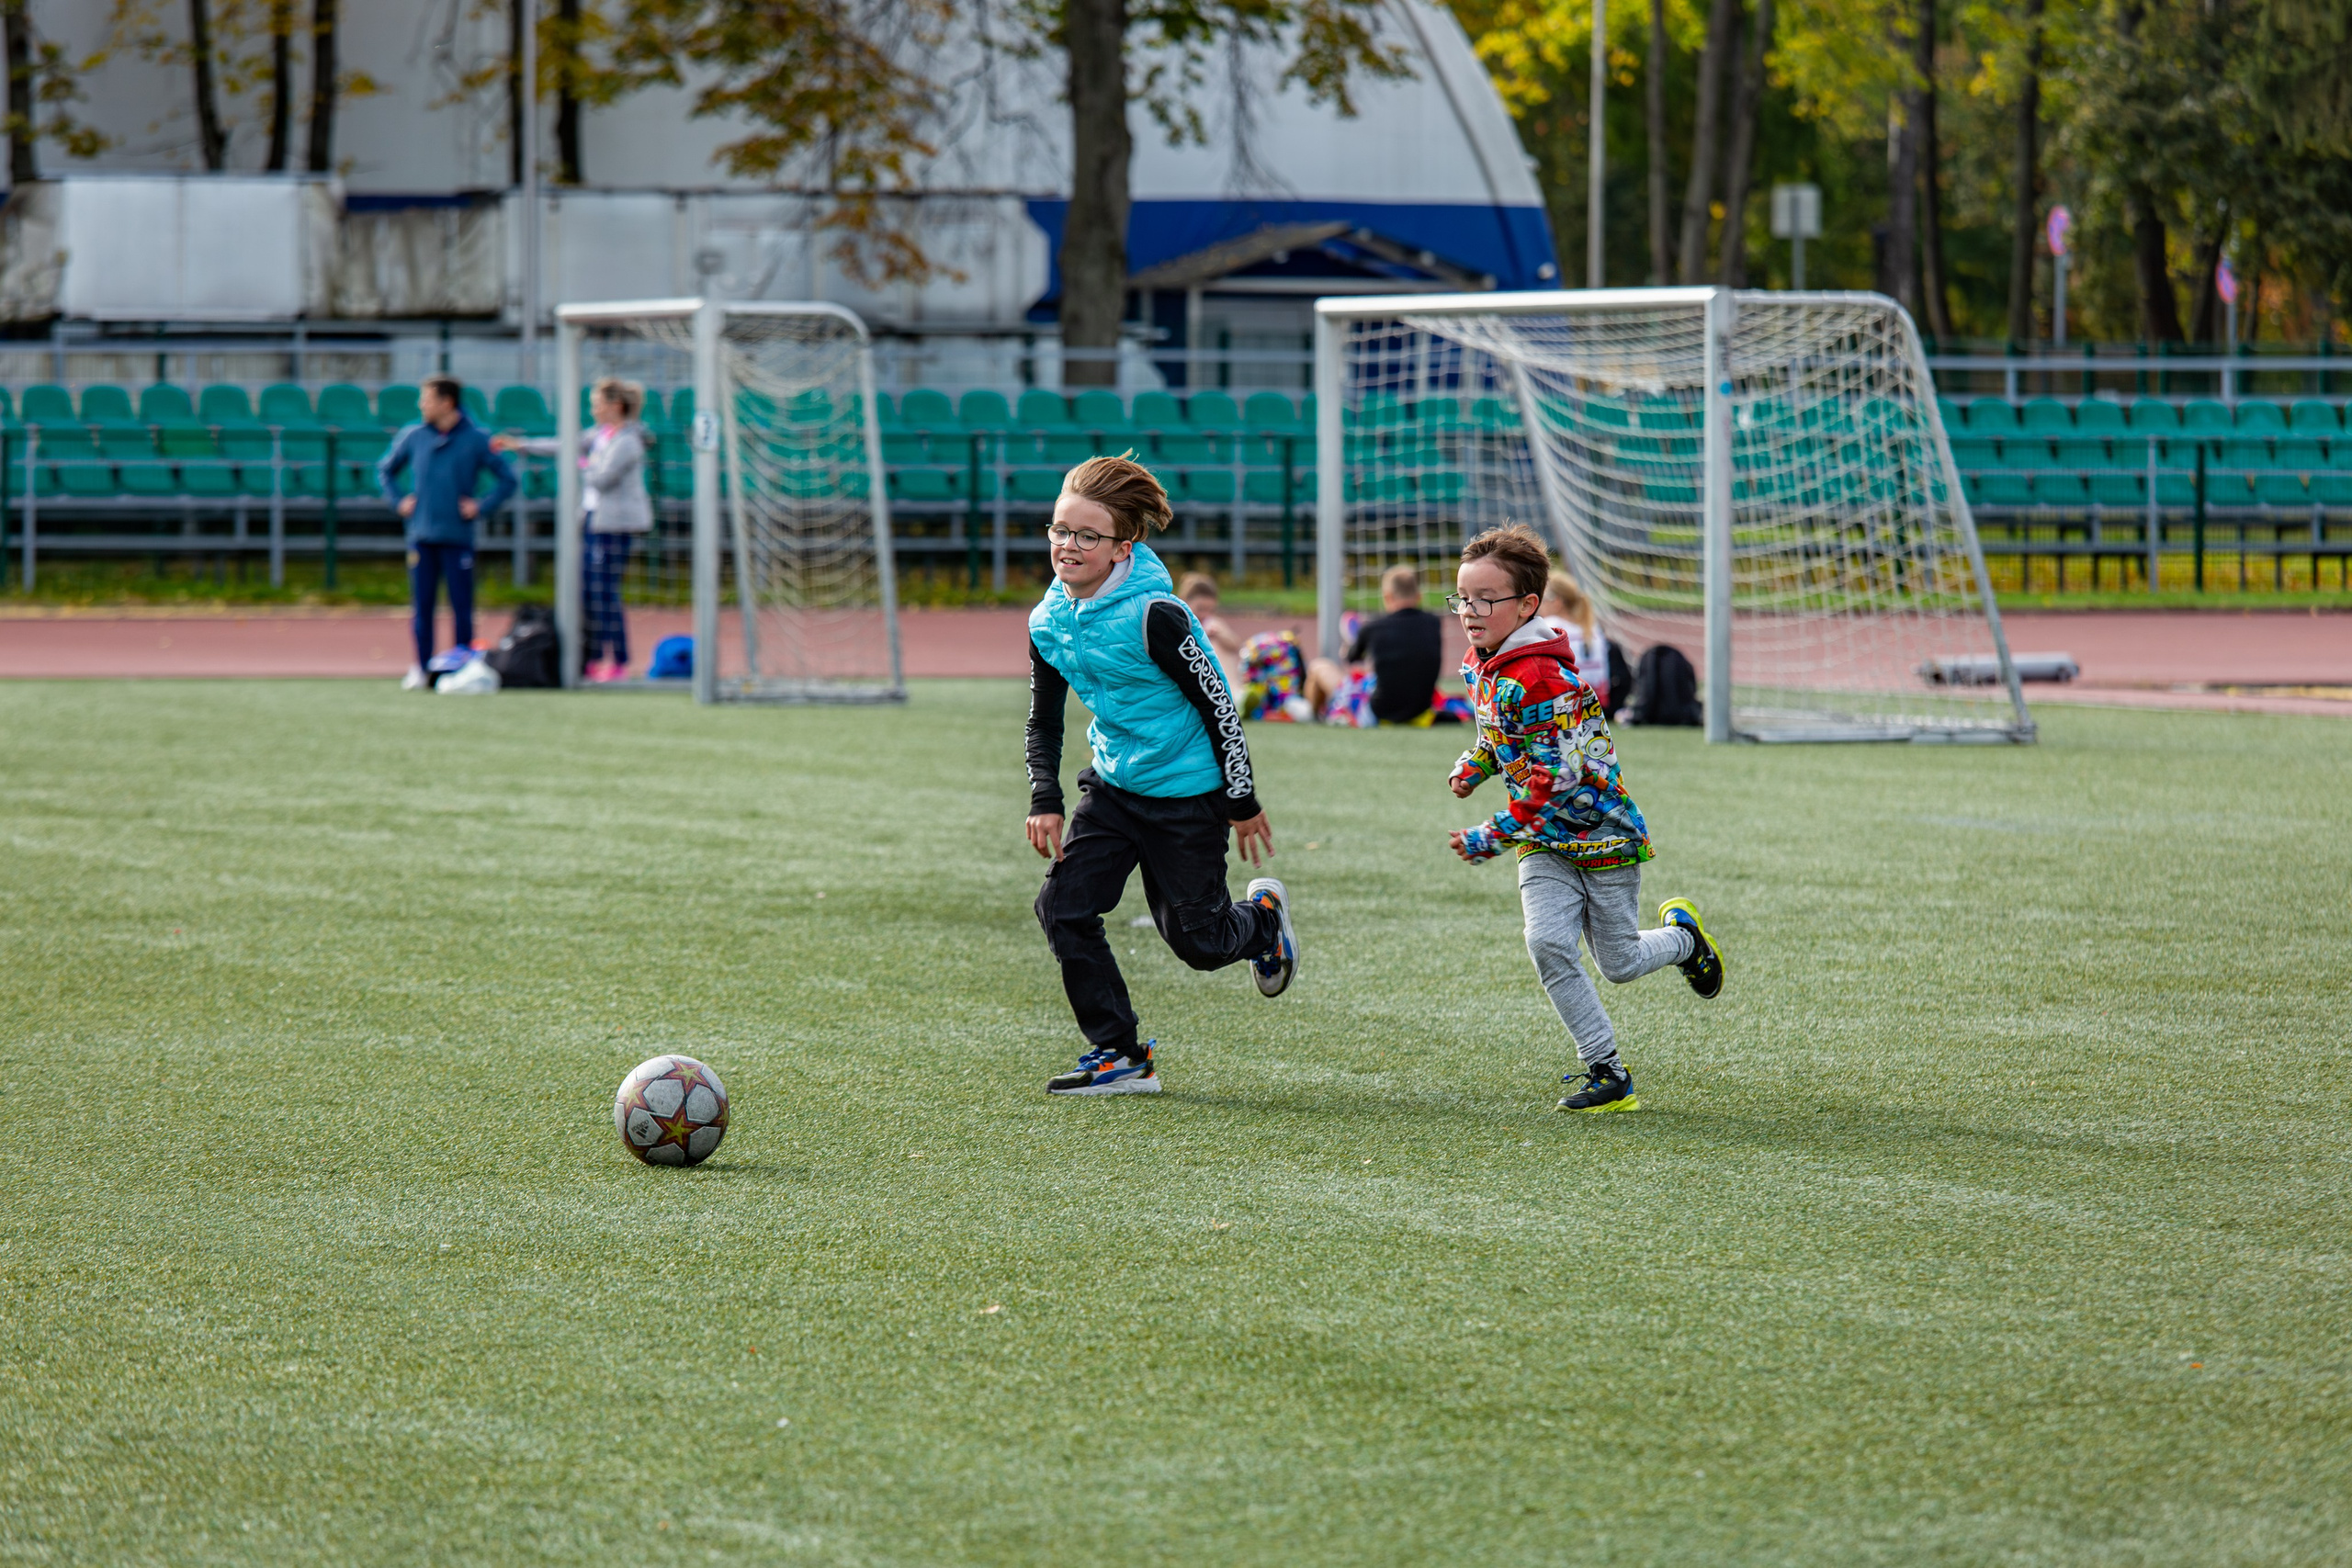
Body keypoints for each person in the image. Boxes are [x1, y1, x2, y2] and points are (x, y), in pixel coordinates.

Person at [1025, 455, 1300, 1096]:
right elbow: (1044, 718)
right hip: (1115, 786)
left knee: (1200, 944)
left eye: (1086, 535)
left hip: (1186, 794)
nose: (1068, 545)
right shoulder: (1048, 619)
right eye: (1060, 529)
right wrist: (1046, 797)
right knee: (1061, 906)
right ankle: (1120, 1053)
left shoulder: (1156, 615)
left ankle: (1262, 920)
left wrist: (1242, 799)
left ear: (1123, 545)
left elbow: (1219, 704)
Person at [1444, 524, 1723, 1113]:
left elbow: (1560, 778)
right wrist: (1475, 763)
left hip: (1600, 833)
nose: (1470, 611)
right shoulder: (1482, 662)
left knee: (1618, 964)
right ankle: (1606, 1070)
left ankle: (1684, 940)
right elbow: (1503, 737)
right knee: (1546, 942)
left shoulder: (1541, 675)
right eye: (1463, 598)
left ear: (1527, 605)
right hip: (1543, 840)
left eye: (1485, 600)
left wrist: (1490, 834)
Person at [493, 378, 650, 682]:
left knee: (605, 593)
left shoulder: (628, 441)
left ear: (615, 406)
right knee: (588, 593)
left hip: (616, 527)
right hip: (593, 521)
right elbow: (563, 445)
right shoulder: (600, 435)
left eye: (598, 404)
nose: (593, 410)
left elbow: (602, 478)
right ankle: (592, 657)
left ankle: (618, 660)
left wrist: (582, 462)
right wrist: (522, 445)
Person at [379, 376, 517, 690]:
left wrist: (481, 507)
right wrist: (399, 502)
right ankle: (422, 667)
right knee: (422, 606)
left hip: (458, 537)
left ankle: (462, 668)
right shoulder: (413, 436)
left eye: (426, 399)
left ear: (446, 402)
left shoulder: (476, 439)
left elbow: (507, 479)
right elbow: (386, 470)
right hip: (422, 535)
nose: (421, 405)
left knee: (462, 606)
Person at [1306, 563, 1447, 726]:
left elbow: (1351, 659)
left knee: (1319, 667)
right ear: (1418, 596)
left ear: (1387, 597)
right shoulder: (1433, 623)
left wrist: (1349, 648)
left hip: (1378, 715)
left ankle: (1312, 715)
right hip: (1421, 712)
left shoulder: (1374, 628)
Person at [1541, 570, 1612, 712]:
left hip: (1568, 703)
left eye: (1542, 599)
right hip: (1597, 701)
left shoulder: (1550, 626)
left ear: (1556, 603)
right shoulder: (1592, 627)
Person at [1176, 570, 1243, 692]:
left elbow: (1236, 644)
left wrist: (1220, 634)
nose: (1205, 614)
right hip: (1193, 678)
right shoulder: (1182, 624)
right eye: (1200, 609)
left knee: (1218, 643)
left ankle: (1229, 688)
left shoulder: (1213, 623)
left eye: (1210, 610)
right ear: (1185, 602)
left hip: (1221, 678)